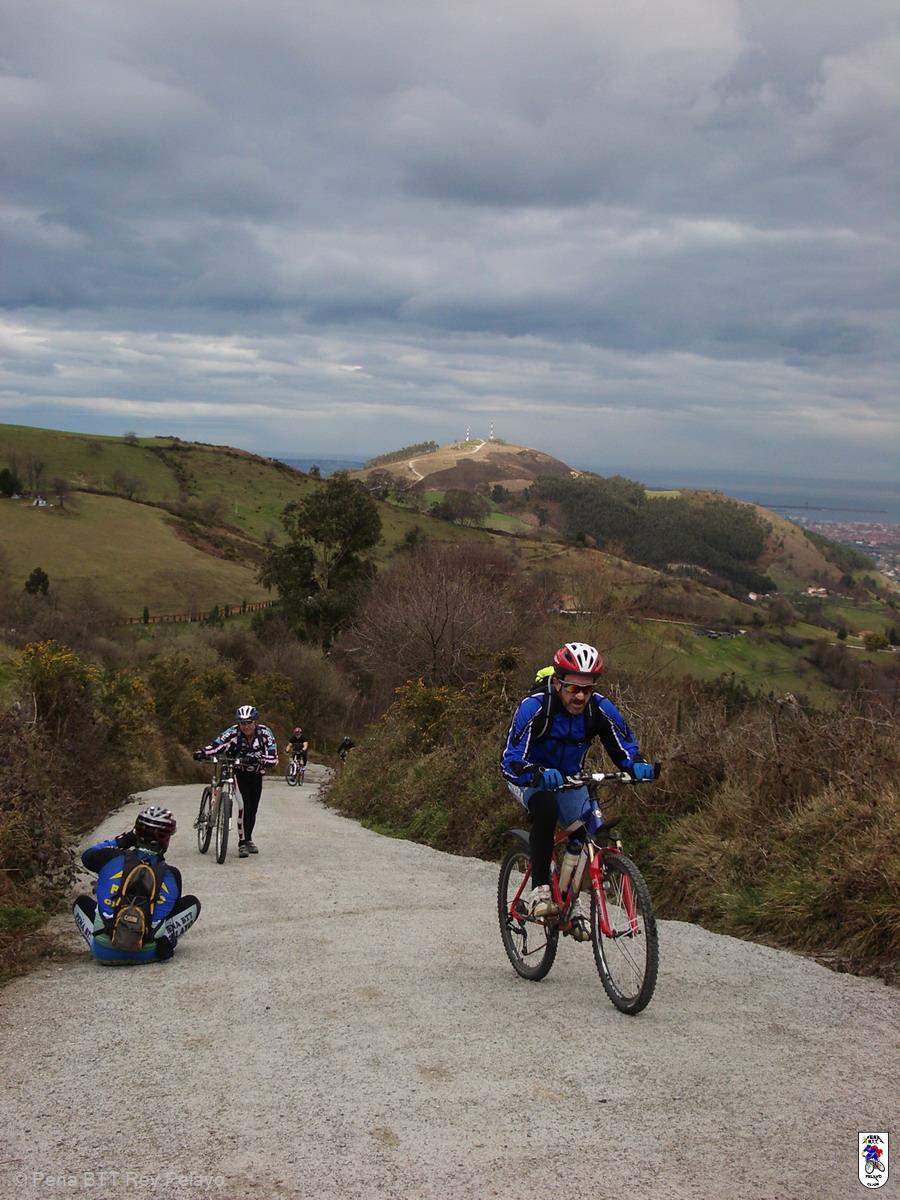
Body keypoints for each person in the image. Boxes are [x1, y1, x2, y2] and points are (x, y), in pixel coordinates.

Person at [501, 642, 658, 923]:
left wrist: (636, 765)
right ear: (557, 683)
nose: (581, 696)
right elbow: (510, 758)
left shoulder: (599, 708)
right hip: (529, 776)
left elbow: (623, 745)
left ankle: (570, 899)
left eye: (588, 689)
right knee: (546, 809)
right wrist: (535, 772)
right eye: (573, 688)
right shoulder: (535, 706)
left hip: (571, 777)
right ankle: (540, 890)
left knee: (587, 829)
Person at [72, 806, 200, 964]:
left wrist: (122, 840)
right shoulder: (172, 874)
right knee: (192, 902)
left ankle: (103, 944)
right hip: (149, 954)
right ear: (166, 839)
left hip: (104, 953)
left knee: (81, 902)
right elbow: (169, 913)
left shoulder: (109, 857)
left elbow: (87, 856)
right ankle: (165, 943)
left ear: (136, 833)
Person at [194, 704, 278, 858]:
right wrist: (202, 752)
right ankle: (242, 843)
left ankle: (249, 839)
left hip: (256, 774)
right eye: (242, 723)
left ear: (255, 721)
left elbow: (273, 758)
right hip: (237, 773)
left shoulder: (265, 734)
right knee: (244, 806)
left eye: (249, 722)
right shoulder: (232, 732)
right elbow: (216, 745)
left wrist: (258, 759)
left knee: (253, 809)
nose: (246, 726)